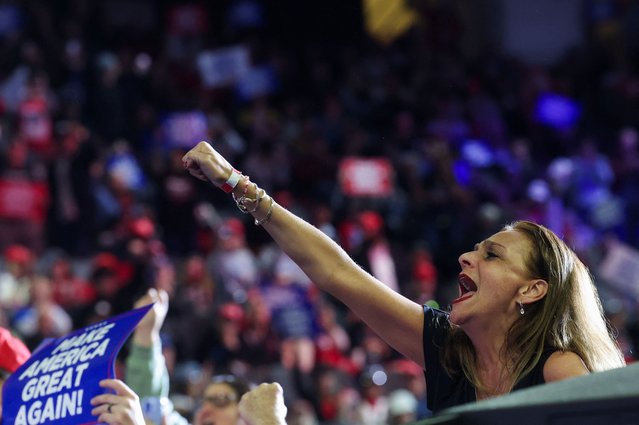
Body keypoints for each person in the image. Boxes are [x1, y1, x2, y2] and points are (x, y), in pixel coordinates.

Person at [182, 141, 626, 414]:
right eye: (475, 249)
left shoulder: (560, 371)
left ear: (531, 289)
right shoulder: (449, 352)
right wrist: (238, 185)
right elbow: (338, 273)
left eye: (491, 255)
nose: (465, 258)